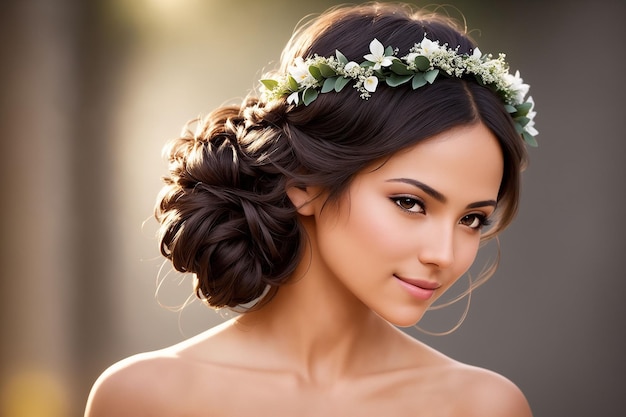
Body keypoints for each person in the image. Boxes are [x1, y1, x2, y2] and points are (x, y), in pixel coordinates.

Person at [85, 2, 538, 416]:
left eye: (471, 219)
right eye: (410, 203)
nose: (445, 254)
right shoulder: (143, 397)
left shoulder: (483, 407)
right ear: (303, 181)